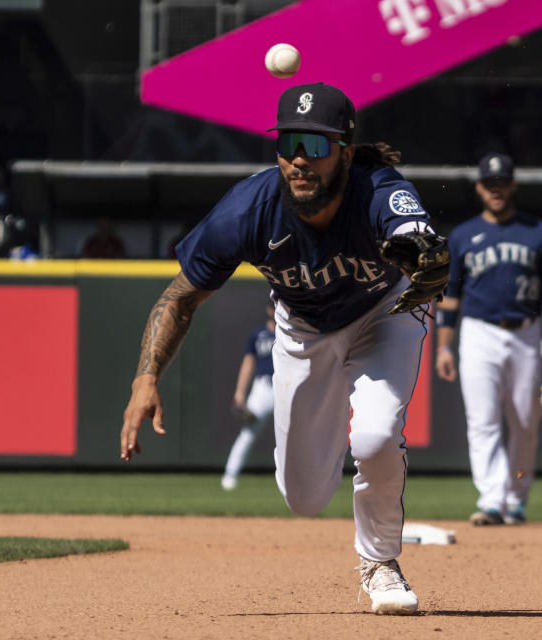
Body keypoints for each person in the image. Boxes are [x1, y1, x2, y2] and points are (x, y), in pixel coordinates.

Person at [119, 82, 445, 616]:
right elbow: (179, 299)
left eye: (315, 145)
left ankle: (380, 563)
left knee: (376, 434)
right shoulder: (248, 209)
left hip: (382, 314)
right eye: (289, 142)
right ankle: (333, 431)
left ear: (343, 147)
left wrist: (420, 249)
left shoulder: (379, 190)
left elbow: (415, 235)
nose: (299, 158)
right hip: (303, 330)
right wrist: (145, 377)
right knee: (304, 497)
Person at [434, 152, 542, 527]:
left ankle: (516, 499)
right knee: (482, 421)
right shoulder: (463, 235)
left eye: (502, 183)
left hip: (525, 332)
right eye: (489, 183)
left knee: (526, 420)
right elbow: (450, 296)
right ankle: (492, 499)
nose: (496, 189)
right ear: (479, 188)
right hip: (478, 333)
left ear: (513, 185)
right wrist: (444, 345)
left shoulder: (536, 230)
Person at [221, 302, 276, 491]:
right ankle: (230, 474)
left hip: (286, 388)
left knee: (294, 436)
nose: (275, 309)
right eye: (273, 306)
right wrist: (239, 393)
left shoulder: (292, 334)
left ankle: (297, 484)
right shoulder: (258, 335)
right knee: (248, 433)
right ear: (269, 309)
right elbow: (248, 364)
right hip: (263, 388)